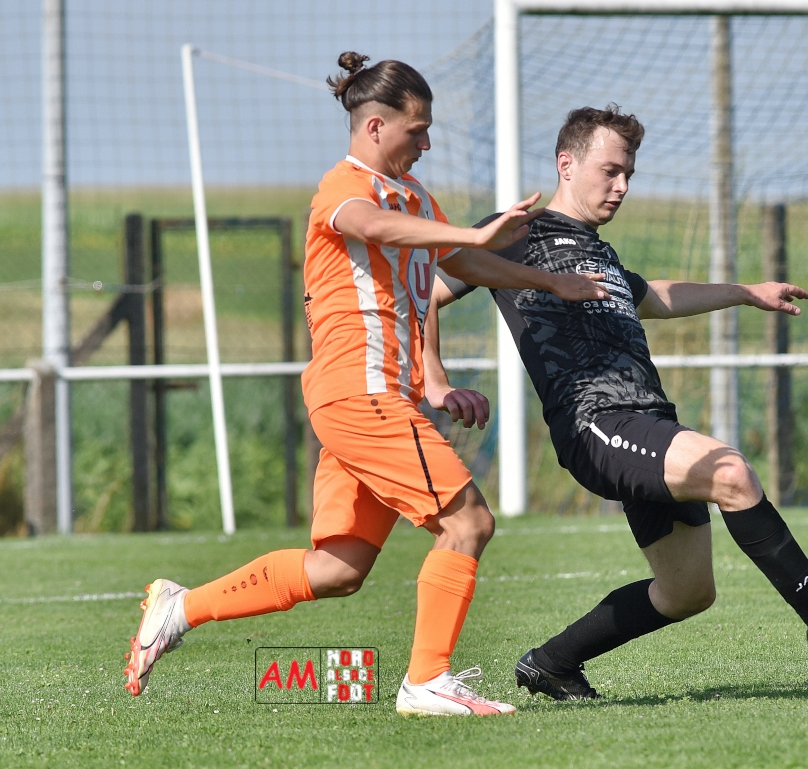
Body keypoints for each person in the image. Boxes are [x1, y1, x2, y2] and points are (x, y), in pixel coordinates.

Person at [122, 53, 607, 717]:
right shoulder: (341, 188)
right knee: (468, 521)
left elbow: (459, 265)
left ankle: (179, 607)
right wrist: (470, 234)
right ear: (375, 126)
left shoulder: (416, 199)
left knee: (339, 567)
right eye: (418, 130)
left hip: (376, 400)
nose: (427, 143)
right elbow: (372, 226)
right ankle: (427, 681)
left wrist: (548, 283)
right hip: (360, 396)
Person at [424, 104, 808, 701]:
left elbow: (653, 296)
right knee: (730, 472)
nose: (622, 186)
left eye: (629, 174)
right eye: (610, 171)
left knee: (686, 592)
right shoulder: (515, 233)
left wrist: (745, 292)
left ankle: (551, 664)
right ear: (566, 164)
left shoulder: (598, 253)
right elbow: (424, 289)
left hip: (648, 420)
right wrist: (435, 379)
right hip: (594, 423)